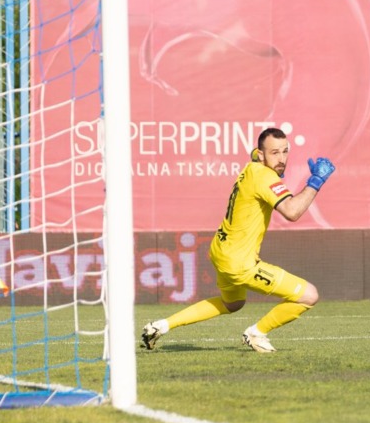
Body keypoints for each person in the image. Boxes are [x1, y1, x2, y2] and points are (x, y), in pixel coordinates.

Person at [140, 127, 335, 353]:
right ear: (261, 154)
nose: (281, 159)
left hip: (221, 250)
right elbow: (292, 211)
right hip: (240, 263)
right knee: (309, 295)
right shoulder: (264, 176)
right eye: (274, 153)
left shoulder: (252, 167)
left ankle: (160, 326)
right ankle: (256, 333)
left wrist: (269, 159)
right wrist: (316, 181)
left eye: (285, 151)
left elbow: (258, 157)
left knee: (232, 303)